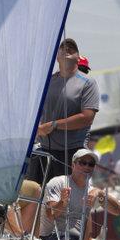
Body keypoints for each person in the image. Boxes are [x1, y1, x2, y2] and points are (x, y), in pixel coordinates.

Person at [27, 38, 100, 185]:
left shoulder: (88, 82)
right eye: (62, 47)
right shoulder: (47, 81)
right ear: (57, 56)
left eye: (72, 47)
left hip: (72, 152)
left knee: (65, 202)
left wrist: (53, 125)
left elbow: (87, 118)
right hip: (44, 151)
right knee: (35, 199)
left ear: (78, 57)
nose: (67, 48)